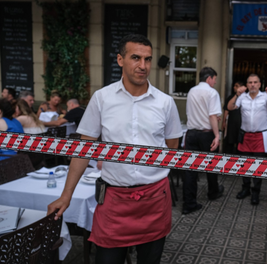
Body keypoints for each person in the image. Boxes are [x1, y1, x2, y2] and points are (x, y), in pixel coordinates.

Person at [47, 34, 183, 264]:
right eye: (135, 58)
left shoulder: (165, 102)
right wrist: (66, 195)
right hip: (115, 201)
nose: (143, 66)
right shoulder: (102, 99)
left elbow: (172, 147)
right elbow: (84, 149)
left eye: (148, 59)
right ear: (120, 60)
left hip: (154, 199)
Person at [227, 73, 267, 205]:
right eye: (250, 82)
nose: (252, 84)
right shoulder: (242, 97)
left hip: (260, 136)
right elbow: (229, 107)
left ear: (259, 84)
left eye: (255, 82)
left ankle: (255, 192)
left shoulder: (265, 97)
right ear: (247, 84)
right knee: (245, 164)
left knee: (258, 166)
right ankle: (245, 188)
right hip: (245, 135)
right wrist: (237, 95)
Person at [183, 67, 224, 215]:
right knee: (210, 164)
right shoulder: (212, 92)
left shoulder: (192, 91)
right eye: (214, 80)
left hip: (191, 133)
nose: (215, 82)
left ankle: (189, 203)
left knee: (190, 169)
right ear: (209, 78)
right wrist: (217, 136)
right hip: (206, 134)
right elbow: (212, 116)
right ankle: (213, 192)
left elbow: (199, 112)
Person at [222, 81, 243, 154]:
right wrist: (224, 122)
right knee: (229, 141)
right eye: (234, 86)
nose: (234, 87)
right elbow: (226, 110)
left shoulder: (246, 98)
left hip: (242, 123)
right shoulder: (231, 98)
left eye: (236, 86)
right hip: (231, 123)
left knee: (240, 142)